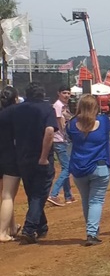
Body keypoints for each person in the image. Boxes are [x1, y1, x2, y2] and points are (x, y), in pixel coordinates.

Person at [10, 83, 58, 244]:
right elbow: (50, 131)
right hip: (41, 158)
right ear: (42, 94)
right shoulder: (46, 109)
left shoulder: (17, 110)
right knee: (39, 194)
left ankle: (41, 226)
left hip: (22, 157)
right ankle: (29, 228)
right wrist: (44, 157)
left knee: (33, 194)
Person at [67, 95, 110, 246]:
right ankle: (91, 233)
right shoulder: (104, 121)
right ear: (96, 107)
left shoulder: (72, 124)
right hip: (99, 167)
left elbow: (70, 138)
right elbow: (108, 132)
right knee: (96, 201)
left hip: (79, 168)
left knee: (86, 200)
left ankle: (92, 230)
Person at [0, 87, 21, 242]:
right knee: (8, 195)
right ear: (15, 98)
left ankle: (12, 227)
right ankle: (2, 232)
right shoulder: (15, 113)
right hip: (10, 157)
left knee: (7, 196)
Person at [48, 86, 74, 206]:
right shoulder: (58, 106)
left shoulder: (64, 106)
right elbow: (61, 124)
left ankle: (68, 196)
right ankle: (54, 194)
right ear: (58, 93)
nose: (67, 95)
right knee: (67, 168)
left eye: (68, 93)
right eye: (64, 93)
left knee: (66, 167)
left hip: (63, 140)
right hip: (60, 140)